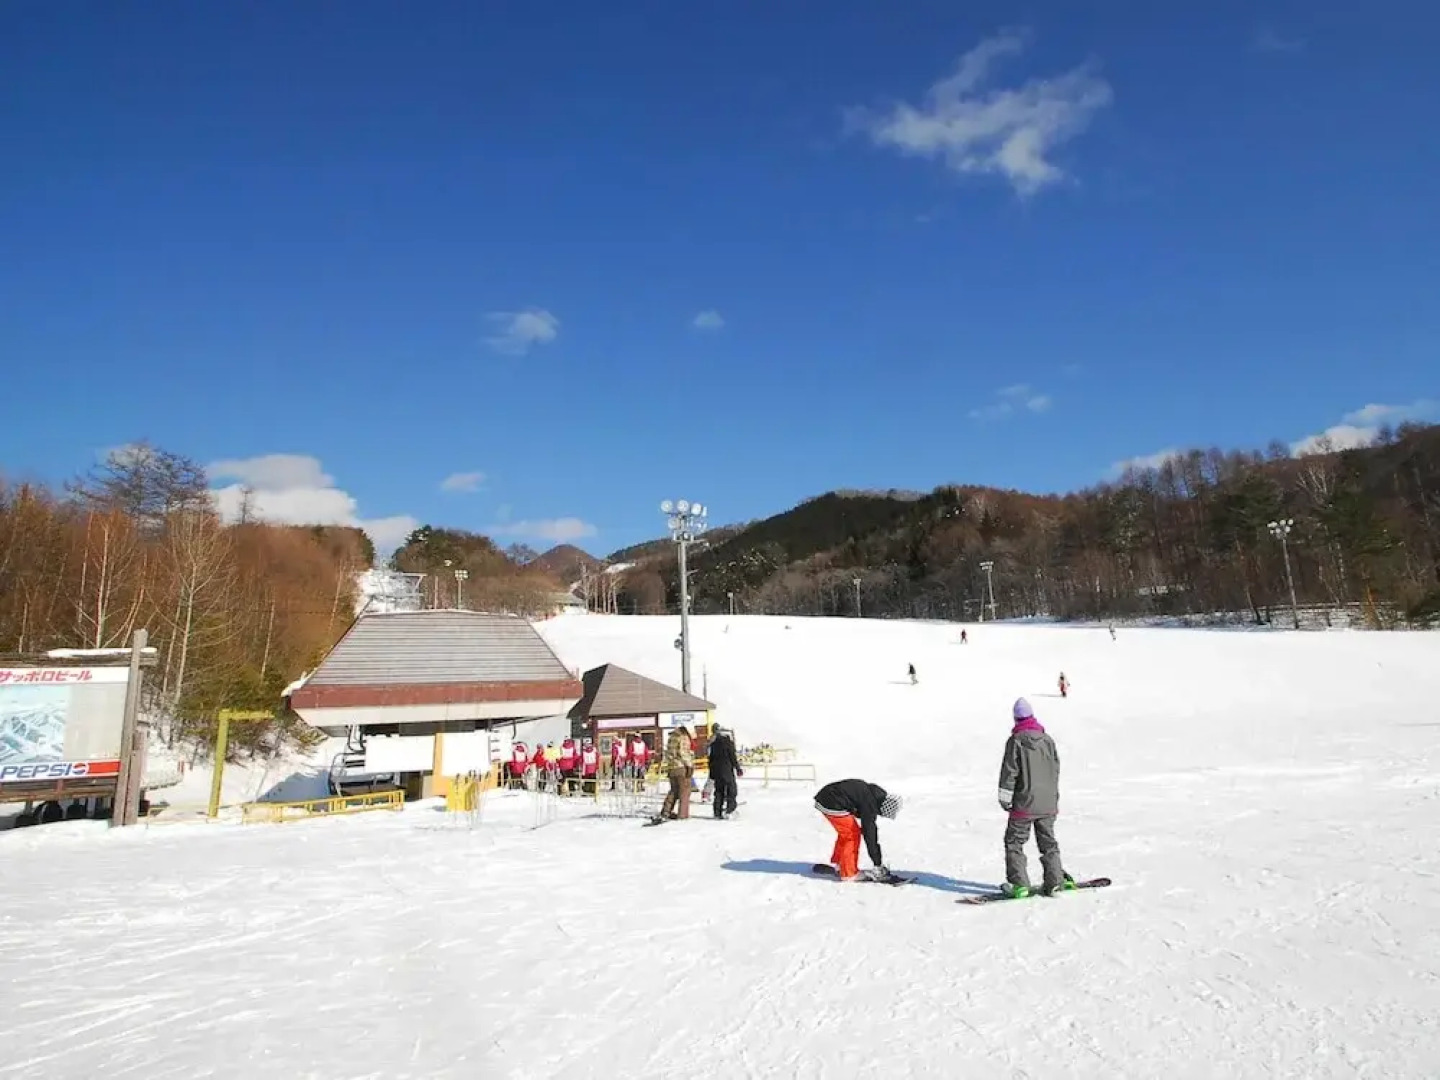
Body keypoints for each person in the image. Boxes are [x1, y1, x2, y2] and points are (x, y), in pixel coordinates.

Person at [997, 698, 1073, 897]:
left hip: (1024, 803)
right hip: (1048, 803)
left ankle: (1019, 884)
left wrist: (1005, 798)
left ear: (1016, 718)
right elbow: (1055, 768)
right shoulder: (1047, 740)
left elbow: (1009, 772)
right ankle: (1055, 883)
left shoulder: (1016, 741)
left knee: (1014, 842)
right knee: (1048, 842)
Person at [813, 778, 903, 882]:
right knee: (852, 835)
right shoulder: (870, 803)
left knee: (847, 832)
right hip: (832, 803)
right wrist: (877, 862)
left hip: (827, 798)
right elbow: (870, 835)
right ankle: (848, 874)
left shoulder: (872, 794)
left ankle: (840, 863)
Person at [657, 725, 695, 820]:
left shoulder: (671, 737)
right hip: (681, 767)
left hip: (671, 767)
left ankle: (666, 811)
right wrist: (689, 765)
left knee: (674, 790)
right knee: (685, 792)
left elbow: (668, 753)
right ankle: (683, 815)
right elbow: (683, 753)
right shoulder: (683, 737)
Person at [707, 725, 743, 819]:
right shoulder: (728, 743)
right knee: (731, 790)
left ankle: (717, 812)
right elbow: (732, 757)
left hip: (717, 771)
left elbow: (710, 759)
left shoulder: (713, 744)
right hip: (727, 770)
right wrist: (738, 768)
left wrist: (712, 773)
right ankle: (730, 810)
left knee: (719, 791)